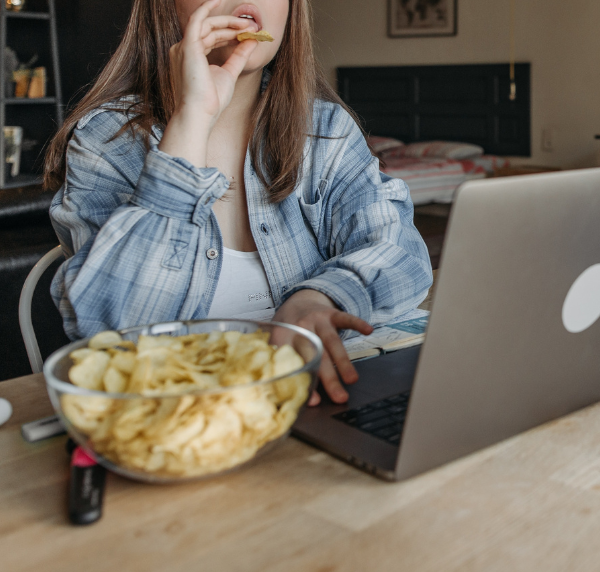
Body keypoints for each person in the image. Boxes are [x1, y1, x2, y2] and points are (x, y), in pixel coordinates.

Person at [44, 0, 433, 405]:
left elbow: (400, 251)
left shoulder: (326, 131)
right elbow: (115, 332)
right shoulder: (105, 141)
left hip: (317, 403)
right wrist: (192, 118)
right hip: (176, 420)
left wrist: (319, 297)